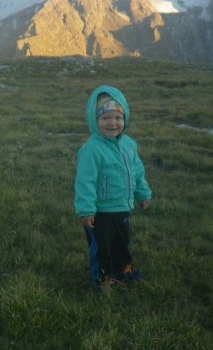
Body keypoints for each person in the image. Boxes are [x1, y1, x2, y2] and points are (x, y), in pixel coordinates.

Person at [73, 85, 152, 290]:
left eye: (118, 117)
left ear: (125, 119)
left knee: (121, 243)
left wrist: (142, 192)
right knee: (102, 248)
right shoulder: (91, 150)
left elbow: (137, 171)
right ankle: (103, 279)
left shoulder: (129, 145)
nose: (112, 123)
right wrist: (86, 210)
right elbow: (85, 182)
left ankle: (123, 270)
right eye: (105, 118)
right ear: (94, 120)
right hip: (100, 211)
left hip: (122, 207)